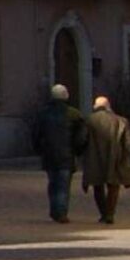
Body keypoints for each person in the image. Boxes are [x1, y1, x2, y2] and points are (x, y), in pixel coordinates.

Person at [30, 82, 87, 223]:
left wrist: (38, 149)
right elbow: (82, 136)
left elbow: (36, 134)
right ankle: (61, 212)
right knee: (63, 185)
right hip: (67, 156)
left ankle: (55, 210)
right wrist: (78, 151)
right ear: (66, 96)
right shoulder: (74, 114)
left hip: (49, 155)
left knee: (53, 183)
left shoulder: (43, 114)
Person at [82, 93, 130, 225]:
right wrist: (127, 157)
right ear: (109, 106)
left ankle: (103, 212)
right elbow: (129, 143)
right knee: (113, 186)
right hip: (115, 157)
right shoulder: (121, 121)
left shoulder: (89, 120)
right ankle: (110, 213)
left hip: (94, 158)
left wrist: (81, 152)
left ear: (96, 106)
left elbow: (82, 139)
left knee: (97, 185)